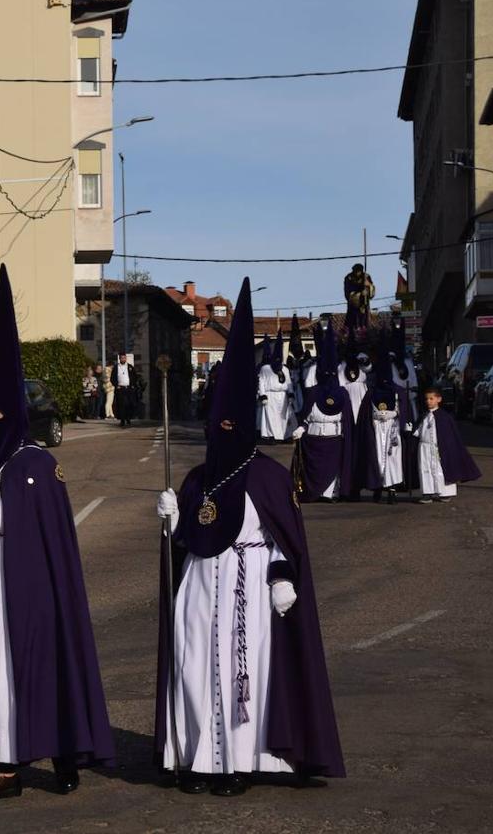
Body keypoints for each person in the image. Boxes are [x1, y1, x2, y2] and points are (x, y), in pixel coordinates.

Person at [0, 266, 114, 802]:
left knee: (37, 669)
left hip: (27, 592)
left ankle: (61, 751)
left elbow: (55, 544)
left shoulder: (38, 466)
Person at [155, 277, 344, 798]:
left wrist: (283, 578)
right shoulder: (197, 477)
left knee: (245, 678)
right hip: (199, 587)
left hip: (248, 584)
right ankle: (196, 759)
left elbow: (285, 541)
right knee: (194, 666)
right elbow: (189, 535)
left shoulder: (267, 476)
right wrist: (172, 520)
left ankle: (238, 763)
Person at [292, 324, 353, 503]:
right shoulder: (313, 393)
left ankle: (330, 493)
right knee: (315, 468)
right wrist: (301, 428)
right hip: (314, 435)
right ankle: (314, 492)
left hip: (333, 435)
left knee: (332, 467)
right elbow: (306, 415)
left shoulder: (342, 393)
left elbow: (346, 418)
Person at [357, 353, 413, 505]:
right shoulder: (371, 392)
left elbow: (405, 410)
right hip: (376, 429)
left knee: (393, 458)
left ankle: (392, 489)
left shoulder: (399, 391)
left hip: (392, 429)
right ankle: (377, 486)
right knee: (377, 457)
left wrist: (403, 420)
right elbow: (365, 413)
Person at [415, 388, 481, 503]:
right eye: (426, 399)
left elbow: (450, 435)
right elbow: (419, 430)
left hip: (439, 448)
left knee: (441, 468)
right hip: (424, 447)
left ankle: (445, 492)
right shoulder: (424, 416)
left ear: (439, 399)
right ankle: (427, 493)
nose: (428, 401)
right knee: (425, 469)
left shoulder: (444, 417)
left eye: (431, 398)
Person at [257, 331, 297, 443]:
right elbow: (262, 382)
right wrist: (263, 395)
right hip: (271, 395)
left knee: (284, 416)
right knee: (271, 417)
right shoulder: (265, 368)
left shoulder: (285, 369)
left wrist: (290, 394)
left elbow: (288, 381)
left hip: (283, 396)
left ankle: (285, 435)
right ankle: (272, 435)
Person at [111, 352, 139, 427]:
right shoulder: (116, 367)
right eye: (121, 358)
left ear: (126, 358)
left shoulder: (130, 367)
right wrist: (116, 385)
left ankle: (128, 418)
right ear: (119, 359)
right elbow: (112, 378)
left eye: (124, 358)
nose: (123, 359)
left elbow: (135, 376)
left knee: (129, 404)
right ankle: (122, 420)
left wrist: (133, 385)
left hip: (129, 388)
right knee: (121, 405)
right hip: (120, 389)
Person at [343, 263, 374, 330]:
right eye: (356, 271)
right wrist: (358, 294)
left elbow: (372, 290)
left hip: (364, 304)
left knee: (364, 321)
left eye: (359, 271)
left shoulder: (366, 276)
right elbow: (347, 293)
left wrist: (368, 287)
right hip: (353, 304)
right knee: (352, 322)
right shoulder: (349, 278)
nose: (358, 273)